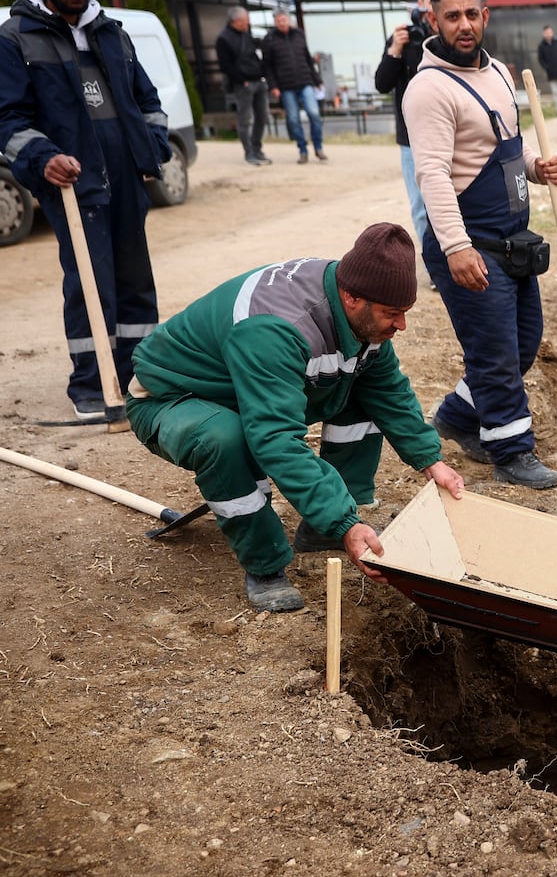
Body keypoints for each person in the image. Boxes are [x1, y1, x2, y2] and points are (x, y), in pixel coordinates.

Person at [126, 223, 465, 613]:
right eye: (392, 314)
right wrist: (346, 522)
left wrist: (430, 461)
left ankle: (325, 529)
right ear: (352, 298)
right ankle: (265, 564)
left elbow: (386, 388)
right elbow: (274, 438)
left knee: (360, 392)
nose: (401, 325)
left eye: (405, 313)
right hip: (174, 397)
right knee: (225, 438)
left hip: (246, 386)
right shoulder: (276, 327)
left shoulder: (356, 303)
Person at [402, 0, 557, 490]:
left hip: (512, 240)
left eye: (472, 14)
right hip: (469, 243)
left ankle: (455, 416)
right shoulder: (428, 90)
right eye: (452, 16)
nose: (464, 24)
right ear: (434, 19)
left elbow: (502, 151)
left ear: (485, 15)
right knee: (493, 353)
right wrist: (456, 247)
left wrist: (537, 168)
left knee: (523, 342)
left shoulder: (497, 72)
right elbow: (433, 174)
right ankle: (511, 451)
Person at [0, 0, 170, 421]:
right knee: (90, 284)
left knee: (137, 281)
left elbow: (149, 102)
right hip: (73, 186)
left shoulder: (111, 34)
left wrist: (151, 147)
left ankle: (139, 378)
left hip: (127, 179)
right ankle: (94, 387)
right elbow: (7, 118)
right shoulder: (15, 39)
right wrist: (42, 157)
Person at [373, 0, 433, 242]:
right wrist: (395, 50)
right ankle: (434, 268)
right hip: (411, 139)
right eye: (429, 1)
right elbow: (382, 84)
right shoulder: (403, 38)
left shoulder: (451, 37)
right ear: (418, 4)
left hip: (449, 133)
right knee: (421, 207)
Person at [261, 7, 326, 164]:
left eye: (283, 19)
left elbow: (307, 59)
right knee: (293, 119)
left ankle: (318, 147)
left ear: (288, 20)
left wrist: (316, 80)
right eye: (278, 21)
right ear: (275, 22)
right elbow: (267, 66)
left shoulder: (299, 35)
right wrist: (273, 86)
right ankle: (302, 150)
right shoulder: (269, 40)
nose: (281, 23)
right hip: (285, 86)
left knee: (314, 114)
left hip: (305, 82)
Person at [215, 6, 271, 166]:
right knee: (245, 120)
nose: (248, 23)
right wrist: (242, 80)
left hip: (258, 81)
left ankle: (257, 149)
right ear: (237, 21)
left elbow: (253, 56)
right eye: (245, 20)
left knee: (262, 117)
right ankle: (249, 153)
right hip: (243, 85)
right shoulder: (223, 39)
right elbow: (225, 65)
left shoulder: (246, 35)